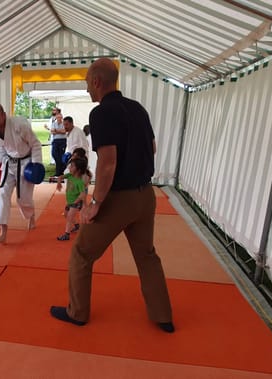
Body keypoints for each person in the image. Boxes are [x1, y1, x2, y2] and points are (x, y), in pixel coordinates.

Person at [50, 57, 174, 333]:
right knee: (147, 256)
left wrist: (95, 203)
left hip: (119, 198)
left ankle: (77, 313)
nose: (86, 90)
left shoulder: (102, 113)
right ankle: (163, 316)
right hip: (146, 195)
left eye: (86, 83)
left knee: (82, 253)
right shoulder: (137, 108)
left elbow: (108, 162)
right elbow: (151, 148)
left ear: (96, 81)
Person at [0, 102, 43, 244]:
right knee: (3, 195)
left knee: (23, 199)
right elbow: (1, 150)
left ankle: (31, 216)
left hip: (26, 163)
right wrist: (4, 161)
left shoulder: (20, 126)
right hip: (9, 164)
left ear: (4, 115)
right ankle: (3, 232)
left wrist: (36, 164)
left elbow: (35, 144)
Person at [55, 155, 90, 241]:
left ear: (78, 170)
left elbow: (83, 194)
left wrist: (76, 201)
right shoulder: (70, 175)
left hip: (75, 203)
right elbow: (60, 177)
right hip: (69, 201)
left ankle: (67, 234)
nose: (69, 167)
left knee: (70, 218)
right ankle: (77, 226)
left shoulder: (79, 182)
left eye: (72, 166)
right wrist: (59, 183)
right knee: (66, 215)